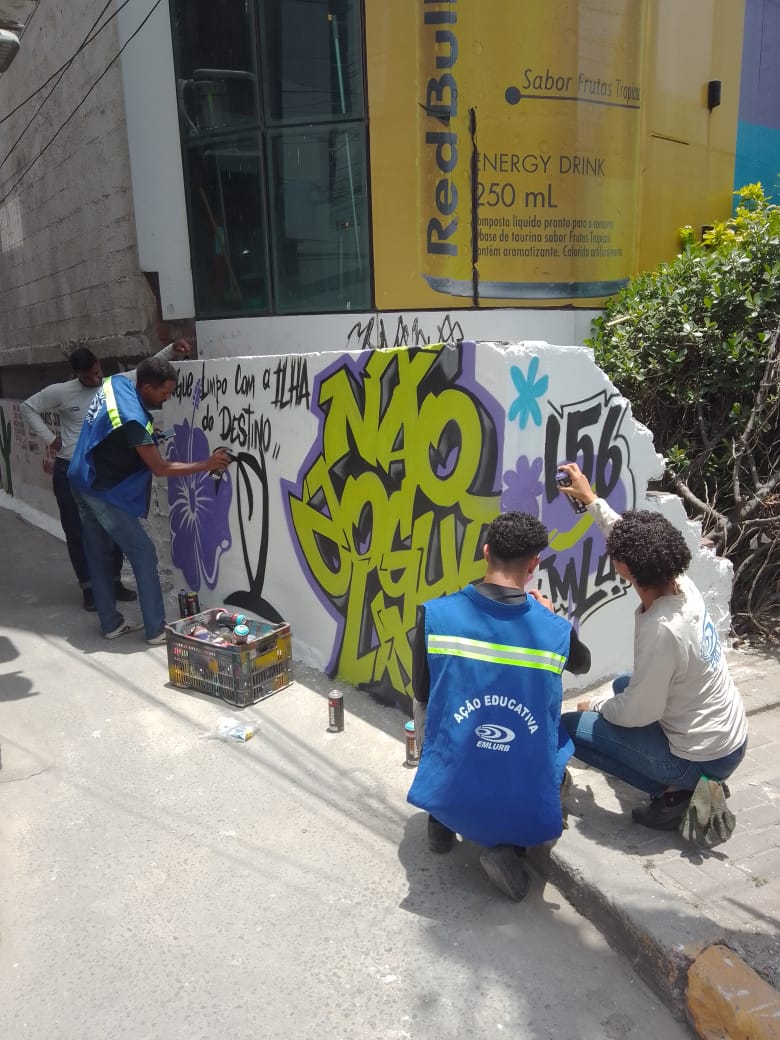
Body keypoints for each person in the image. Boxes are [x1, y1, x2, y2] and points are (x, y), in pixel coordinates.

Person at [407, 511, 591, 902]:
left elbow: (422, 692)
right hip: (517, 772)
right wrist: (553, 617)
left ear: (486, 552)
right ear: (534, 565)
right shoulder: (552, 630)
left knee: (429, 705)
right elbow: (582, 664)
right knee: (557, 735)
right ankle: (508, 845)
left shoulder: (434, 614)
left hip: (454, 762)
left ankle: (440, 817)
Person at [557, 461, 748, 832]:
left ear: (624, 567)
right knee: (622, 685)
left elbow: (637, 714)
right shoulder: (678, 582)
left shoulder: (662, 630)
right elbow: (628, 540)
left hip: (704, 757)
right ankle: (689, 778)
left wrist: (593, 707)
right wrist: (592, 500)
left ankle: (678, 792)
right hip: (729, 737)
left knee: (570, 726)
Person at [67, 356, 233, 645]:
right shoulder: (133, 420)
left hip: (80, 476)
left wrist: (145, 436)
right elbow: (161, 468)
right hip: (100, 489)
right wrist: (207, 464)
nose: (167, 398)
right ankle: (156, 630)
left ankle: (110, 623)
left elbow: (113, 429)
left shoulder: (118, 383)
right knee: (143, 554)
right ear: (145, 387)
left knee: (98, 554)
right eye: (164, 393)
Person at [21, 341, 189, 611]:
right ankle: (89, 588)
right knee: (81, 534)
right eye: (88, 377)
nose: (95, 379)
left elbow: (147, 370)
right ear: (76, 374)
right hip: (72, 470)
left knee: (111, 535)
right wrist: (50, 439)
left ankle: (113, 585)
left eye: (97, 372)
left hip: (103, 472)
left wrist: (173, 349)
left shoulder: (113, 384)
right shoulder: (61, 392)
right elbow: (28, 407)